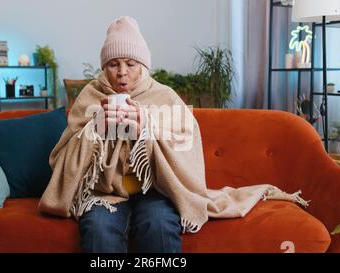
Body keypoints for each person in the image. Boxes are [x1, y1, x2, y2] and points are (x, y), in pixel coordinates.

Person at [38, 16, 309, 253]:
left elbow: (187, 151)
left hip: (156, 190)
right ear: (104, 67)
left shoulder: (164, 96)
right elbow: (63, 158)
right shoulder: (91, 96)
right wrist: (95, 130)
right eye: (113, 64)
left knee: (158, 224)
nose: (122, 73)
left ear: (143, 65)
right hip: (104, 192)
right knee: (98, 228)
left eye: (130, 63)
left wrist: (147, 128)